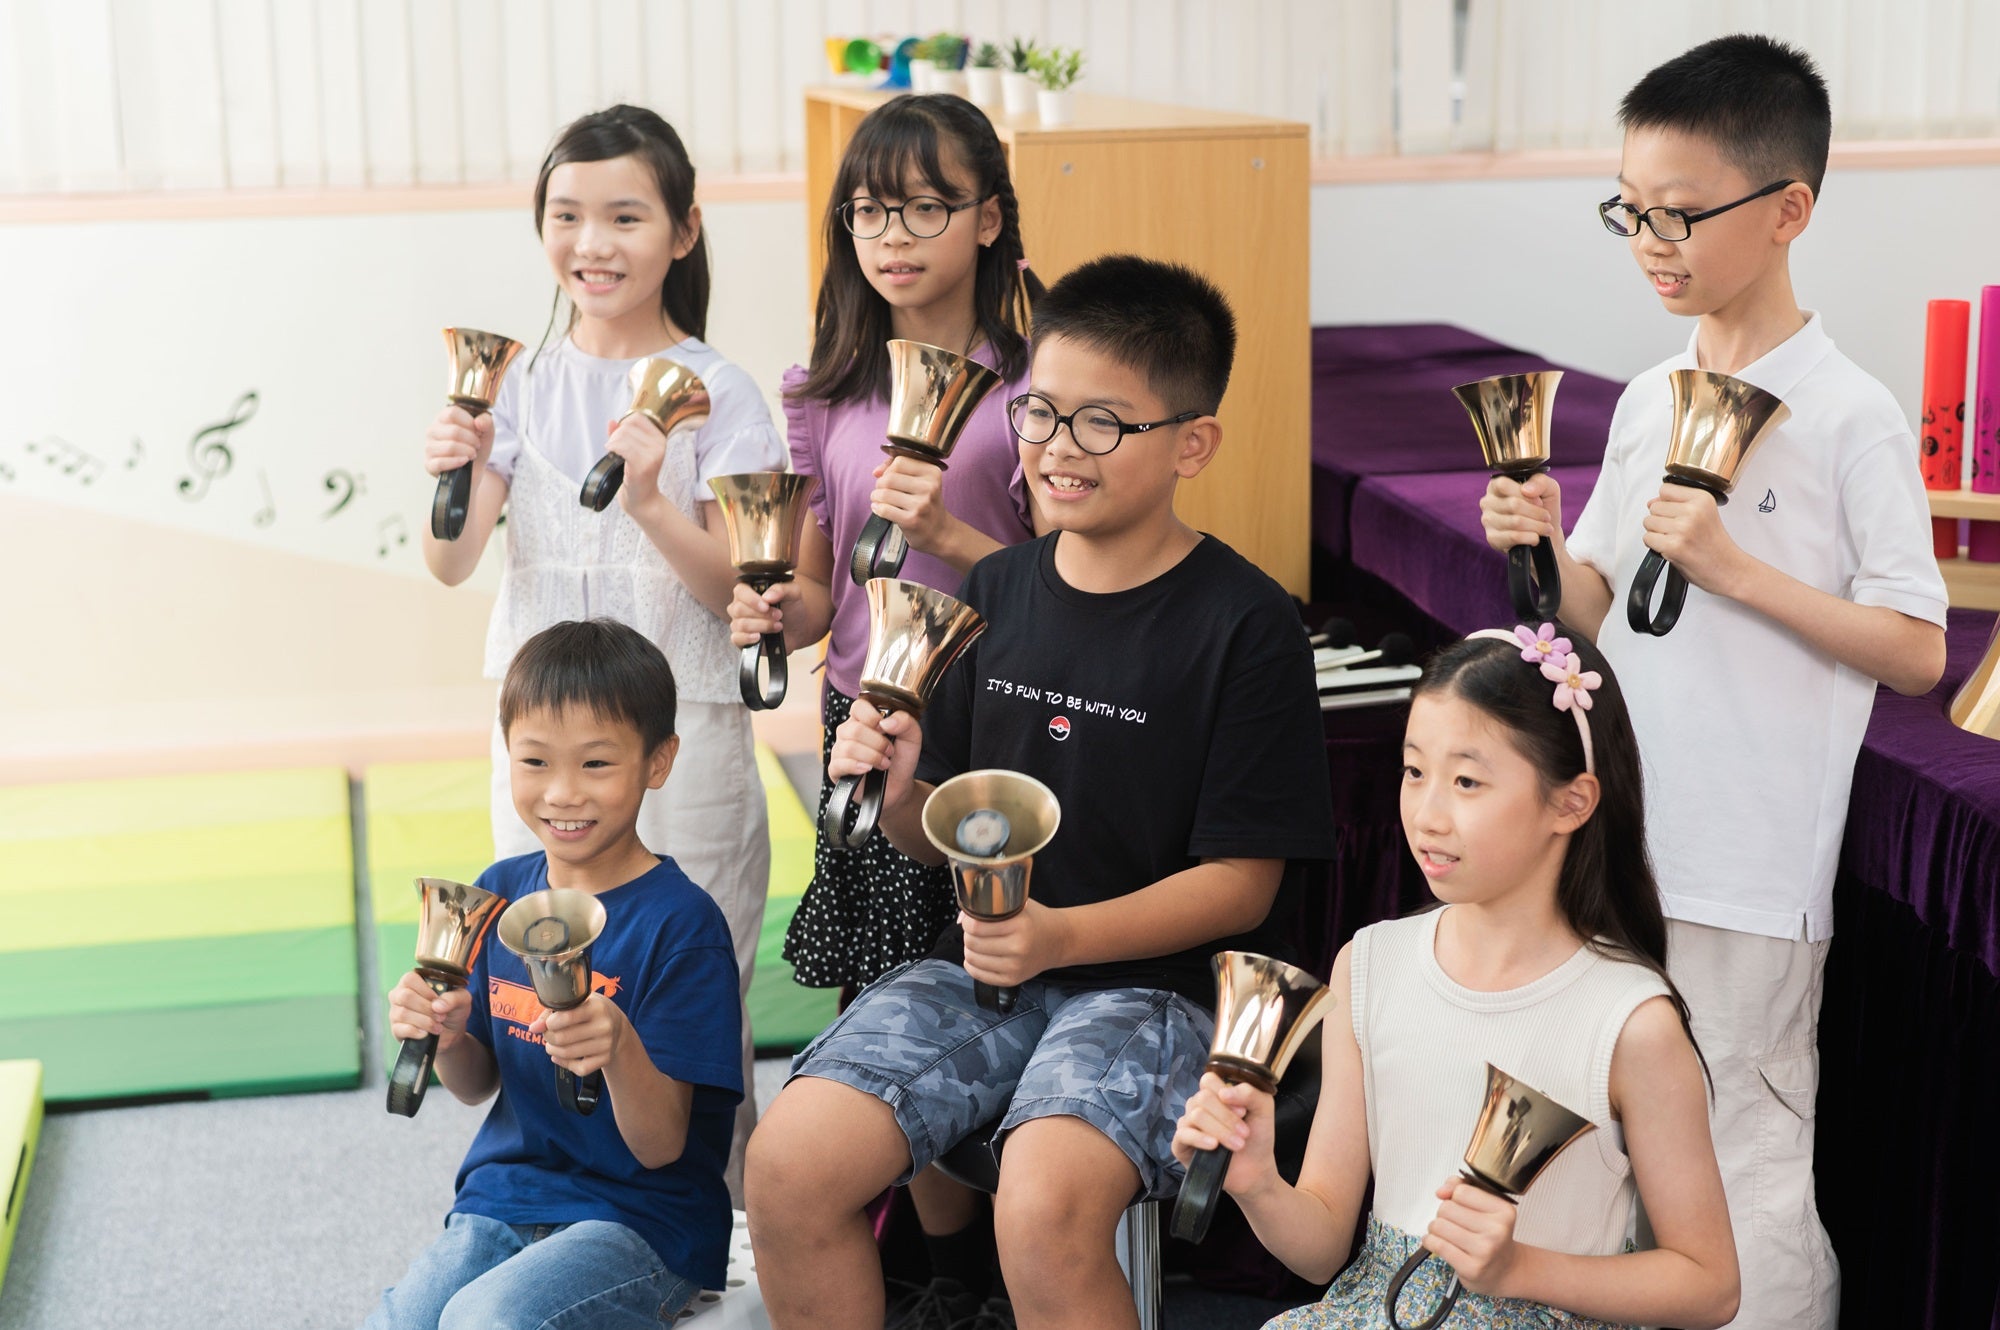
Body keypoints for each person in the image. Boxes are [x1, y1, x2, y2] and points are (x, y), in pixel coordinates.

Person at [743, 254, 1338, 1330]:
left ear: (1190, 443)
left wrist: (1057, 937)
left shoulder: (1246, 625)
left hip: (1159, 995)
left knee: (1040, 1206)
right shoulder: (995, 588)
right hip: (991, 971)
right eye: (1040, 414)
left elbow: (1245, 886)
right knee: (785, 1164)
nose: (1058, 449)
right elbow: (943, 839)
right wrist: (893, 785)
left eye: (1102, 423)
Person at [1477, 36, 1948, 1329]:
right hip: (1627, 839)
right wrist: (1535, 538)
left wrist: (1737, 567)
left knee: (1743, 1155)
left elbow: (1919, 643)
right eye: (1631, 210)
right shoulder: (1646, 398)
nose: (1651, 239)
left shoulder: (1848, 412)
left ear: (1790, 209)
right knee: (1621, 1141)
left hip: (1748, 865)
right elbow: (1604, 606)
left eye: (1680, 213)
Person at [1177, 627, 1740, 1329]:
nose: (1427, 815)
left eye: (1467, 781)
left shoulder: (1629, 1023)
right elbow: (1321, 1250)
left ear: (1572, 802)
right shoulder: (1372, 965)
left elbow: (1709, 1284)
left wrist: (1518, 1269)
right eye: (1415, 772)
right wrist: (1258, 1181)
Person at [417, 104, 783, 1180]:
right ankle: (564, 1206)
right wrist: (450, 463)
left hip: (687, 743)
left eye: (625, 215)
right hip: (540, 750)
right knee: (544, 988)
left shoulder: (725, 394)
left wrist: (655, 499)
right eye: (567, 215)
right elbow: (450, 561)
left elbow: (740, 590)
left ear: (683, 230)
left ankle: (725, 1237)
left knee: (693, 1001)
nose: (592, 242)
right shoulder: (515, 386)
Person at [727, 93, 1043, 1325]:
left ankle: (994, 1255)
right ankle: (939, 1269)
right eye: (868, 208)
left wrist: (950, 531)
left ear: (987, 218)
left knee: (987, 998)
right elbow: (819, 592)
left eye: (924, 206)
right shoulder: (824, 387)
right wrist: (774, 614)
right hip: (863, 720)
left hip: (993, 722)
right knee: (885, 1002)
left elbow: (1063, 580)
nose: (892, 234)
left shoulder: (1032, 384)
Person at [366, 619, 742, 1330]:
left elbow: (663, 1147)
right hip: (509, 1196)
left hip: (644, 1221)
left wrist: (620, 1047)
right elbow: (477, 1087)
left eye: (596, 765)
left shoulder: (683, 927)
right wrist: (446, 1035)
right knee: (401, 1322)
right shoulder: (499, 892)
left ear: (657, 762)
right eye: (535, 762)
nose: (563, 793)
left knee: (485, 1321)